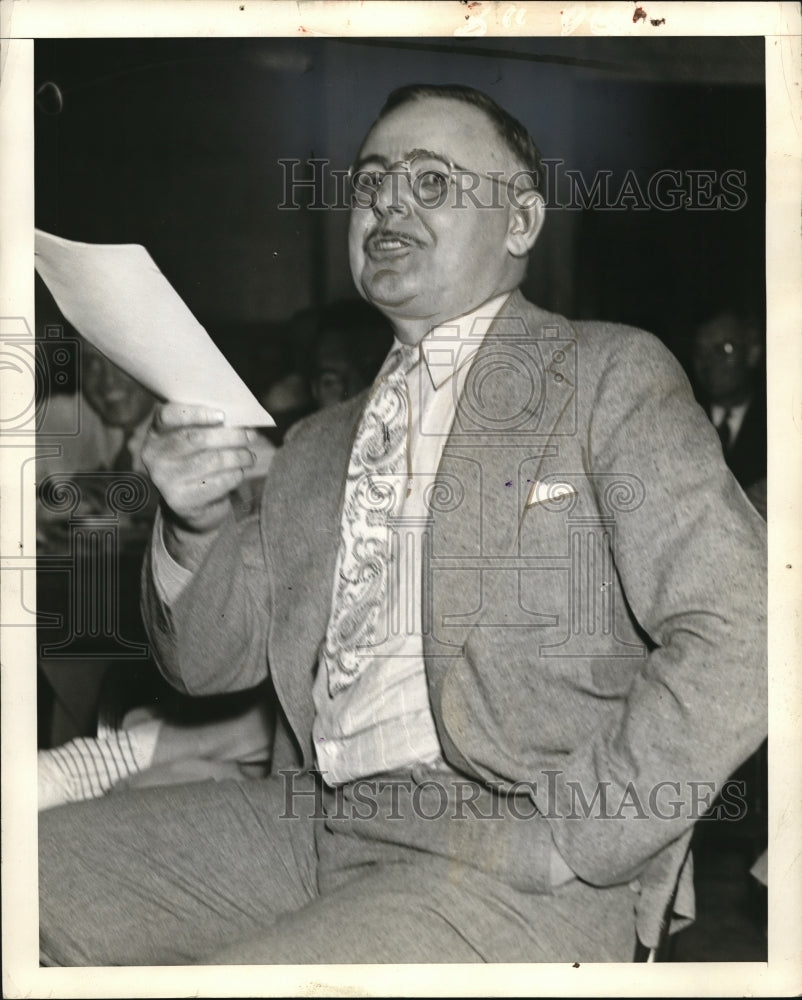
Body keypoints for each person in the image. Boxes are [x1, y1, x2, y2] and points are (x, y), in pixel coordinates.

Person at [39, 84, 767, 966]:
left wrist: (580, 834)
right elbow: (204, 663)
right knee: (26, 875)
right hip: (312, 818)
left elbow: (747, 626)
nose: (387, 203)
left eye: (431, 182)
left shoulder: (605, 376)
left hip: (507, 848)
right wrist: (192, 528)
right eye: (372, 182)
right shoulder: (314, 444)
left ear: (521, 222)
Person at [691, 306, 766, 495]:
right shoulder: (683, 418)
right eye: (701, 351)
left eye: (725, 349)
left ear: (753, 353)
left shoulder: (777, 422)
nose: (709, 363)